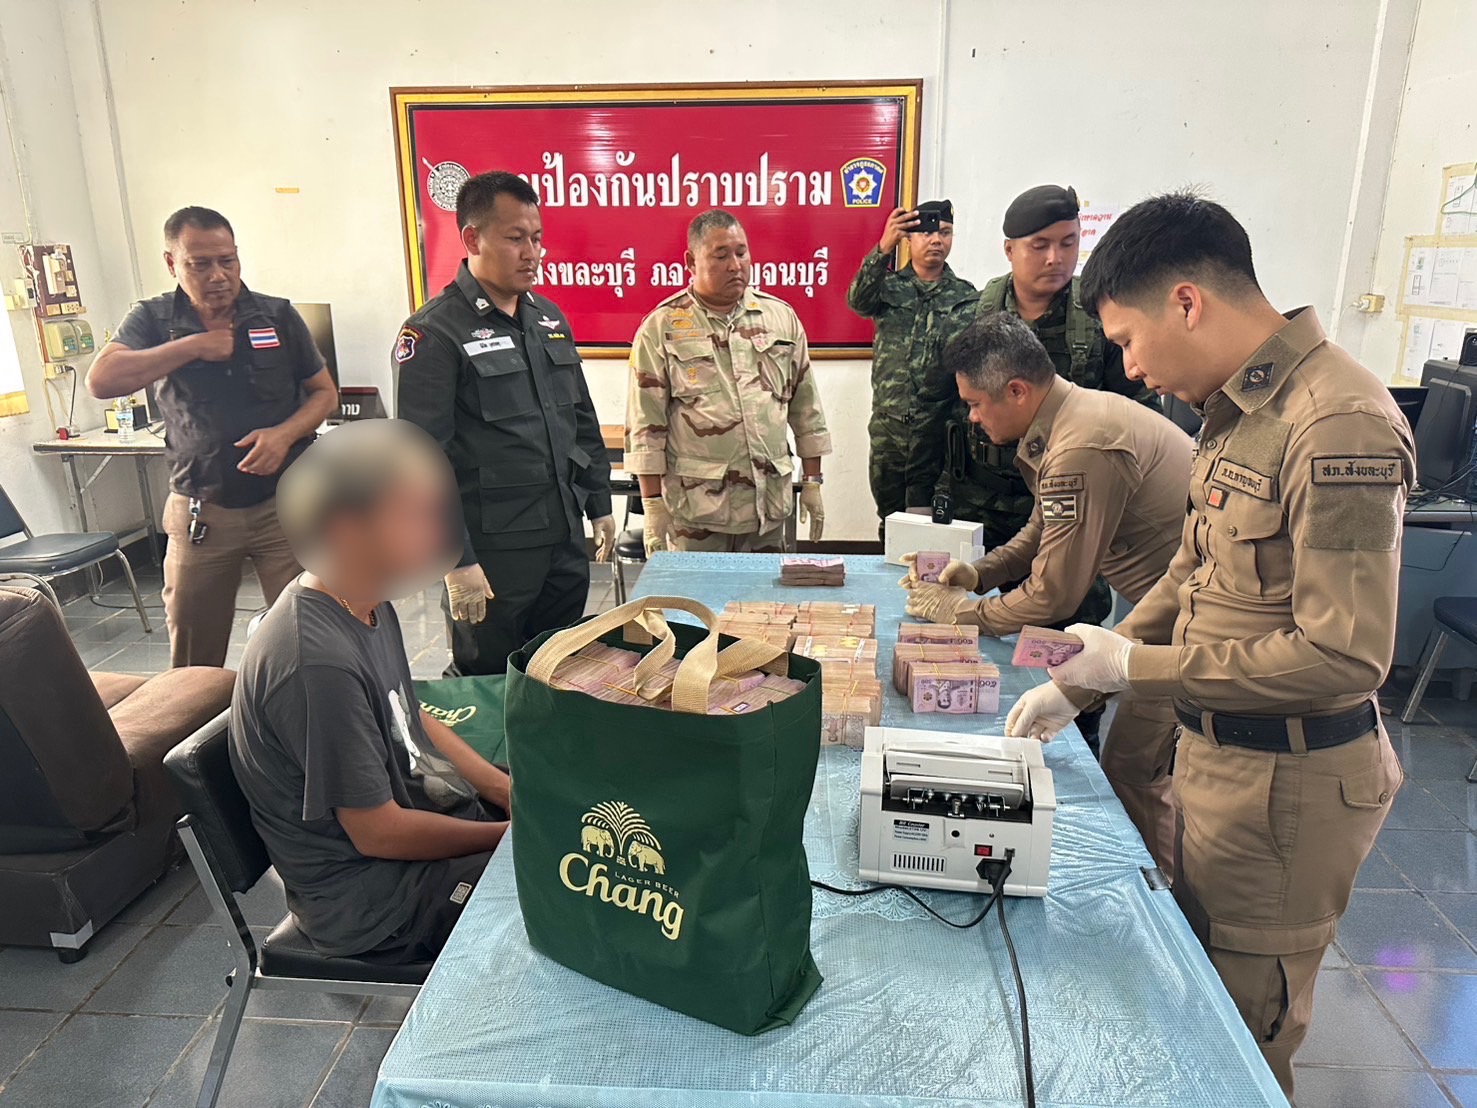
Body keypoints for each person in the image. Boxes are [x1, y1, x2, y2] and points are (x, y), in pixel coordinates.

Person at [1006, 191, 1411, 1097]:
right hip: (1217, 766)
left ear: (1185, 302)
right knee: (1193, 1012)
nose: (1132, 367)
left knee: (1239, 1047)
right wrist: (1085, 675)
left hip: (1287, 794)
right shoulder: (1241, 413)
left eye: (1128, 340)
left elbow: (1344, 656)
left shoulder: (1335, 421)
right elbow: (1191, 573)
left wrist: (1133, 670)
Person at [899, 313, 1191, 870]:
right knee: (1133, 761)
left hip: (1183, 620)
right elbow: (1042, 527)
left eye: (976, 404)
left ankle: (1160, 897)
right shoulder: (1069, 417)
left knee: (1135, 766)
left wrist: (966, 616)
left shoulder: (1082, 445)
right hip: (1163, 603)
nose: (972, 417)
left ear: (1016, 390)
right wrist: (978, 574)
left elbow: (1054, 593)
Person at [231, 419, 509, 963]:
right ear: (346, 528)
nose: (437, 532)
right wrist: (508, 837)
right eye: (414, 516)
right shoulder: (316, 664)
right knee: (567, 882)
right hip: (374, 901)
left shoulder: (364, 597)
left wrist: (505, 791)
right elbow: (378, 834)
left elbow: (410, 714)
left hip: (410, 831)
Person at [87, 206, 339, 667]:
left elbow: (324, 394)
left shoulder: (277, 316)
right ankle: (201, 714)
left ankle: (301, 710)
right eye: (200, 264)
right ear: (171, 263)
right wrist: (193, 346)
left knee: (310, 635)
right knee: (193, 650)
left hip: (285, 506)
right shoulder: (152, 319)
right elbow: (102, 381)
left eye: (228, 260)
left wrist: (283, 435)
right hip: (202, 511)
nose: (219, 275)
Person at [396, 172, 613, 676]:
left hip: (563, 540)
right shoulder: (434, 333)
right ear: (472, 239)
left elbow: (581, 419)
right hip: (493, 556)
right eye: (516, 238)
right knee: (488, 681)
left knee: (557, 671)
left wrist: (599, 504)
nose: (531, 253)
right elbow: (420, 464)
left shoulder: (548, 319)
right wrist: (455, 559)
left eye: (537, 238)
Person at [627, 209, 831, 553]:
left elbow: (806, 407)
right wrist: (652, 505)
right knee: (697, 591)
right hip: (698, 513)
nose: (736, 265)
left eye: (741, 252)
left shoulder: (780, 318)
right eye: (721, 255)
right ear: (691, 262)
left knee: (765, 591)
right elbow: (646, 425)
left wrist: (812, 481)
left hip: (767, 508)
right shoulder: (661, 327)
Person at [847, 200, 977, 533]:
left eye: (945, 233)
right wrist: (883, 248)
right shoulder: (888, 288)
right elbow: (857, 301)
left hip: (941, 430)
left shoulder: (966, 297)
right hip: (890, 429)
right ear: (908, 238)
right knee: (891, 523)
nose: (936, 240)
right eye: (927, 233)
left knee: (940, 524)